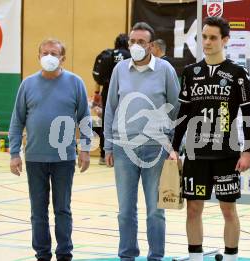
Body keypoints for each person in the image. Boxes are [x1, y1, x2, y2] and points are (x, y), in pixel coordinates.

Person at [169, 16, 250, 261]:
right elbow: (183, 114)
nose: (206, 42)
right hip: (196, 153)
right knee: (193, 208)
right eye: (203, 37)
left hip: (227, 153)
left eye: (212, 37)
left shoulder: (238, 73)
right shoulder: (189, 72)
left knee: (228, 209)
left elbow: (247, 114)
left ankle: (230, 257)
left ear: (225, 40)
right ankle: (196, 257)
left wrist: (248, 151)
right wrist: (174, 147)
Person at [9, 38, 91, 261]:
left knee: (62, 209)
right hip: (35, 157)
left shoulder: (75, 83)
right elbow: (17, 120)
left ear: (62, 58)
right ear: (38, 56)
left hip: (64, 158)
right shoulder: (27, 84)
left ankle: (64, 253)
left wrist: (85, 149)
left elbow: (85, 118)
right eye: (45, 53)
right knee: (38, 211)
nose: (49, 57)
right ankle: (42, 254)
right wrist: (14, 153)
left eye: (54, 53)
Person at [104, 22, 180, 261]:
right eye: (132, 42)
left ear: (151, 45)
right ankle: (127, 255)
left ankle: (155, 256)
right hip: (123, 148)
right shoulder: (119, 70)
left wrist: (174, 146)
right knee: (125, 211)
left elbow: (176, 108)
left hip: (156, 149)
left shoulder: (165, 69)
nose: (136, 46)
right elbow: (110, 108)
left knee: (155, 212)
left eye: (141, 42)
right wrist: (108, 145)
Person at [93, 33, 131, 165]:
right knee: (126, 120)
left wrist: (97, 93)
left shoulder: (107, 55)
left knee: (107, 121)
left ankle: (104, 155)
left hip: (108, 91)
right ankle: (125, 153)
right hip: (126, 91)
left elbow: (98, 78)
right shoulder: (129, 55)